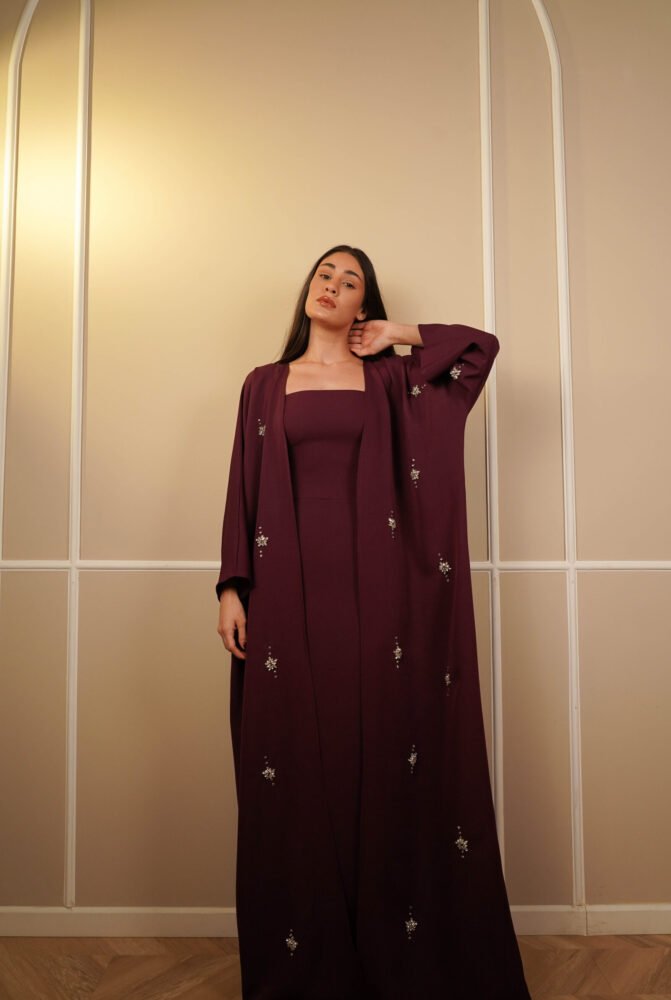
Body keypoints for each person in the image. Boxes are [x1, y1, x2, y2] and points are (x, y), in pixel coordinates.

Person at [216, 244, 531, 1000]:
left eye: (349, 280)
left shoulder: (393, 381)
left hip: (381, 596)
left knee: (380, 755)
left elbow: (479, 351)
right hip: (286, 593)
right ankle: (306, 966)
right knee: (296, 761)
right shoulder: (263, 385)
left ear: (366, 305)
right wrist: (232, 586)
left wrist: (401, 336)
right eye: (324, 274)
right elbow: (242, 489)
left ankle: (393, 953)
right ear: (308, 290)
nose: (332, 285)